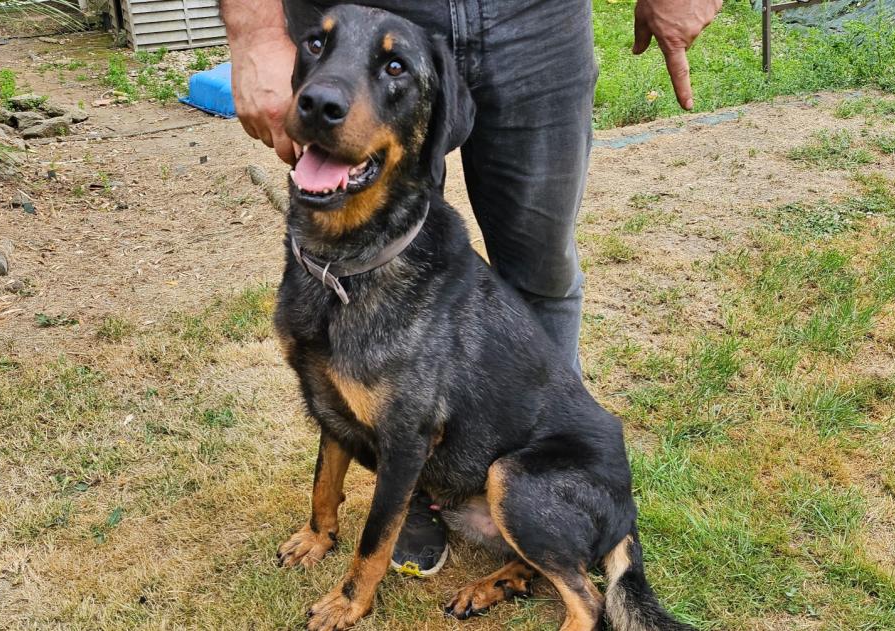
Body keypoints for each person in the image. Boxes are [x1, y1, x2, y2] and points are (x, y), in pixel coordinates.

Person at [220, 0, 722, 579]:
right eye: (317, 47)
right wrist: (256, 30)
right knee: (370, 397)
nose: (324, 96)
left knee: (541, 276)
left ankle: (529, 500)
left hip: (538, 23)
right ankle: (416, 490)